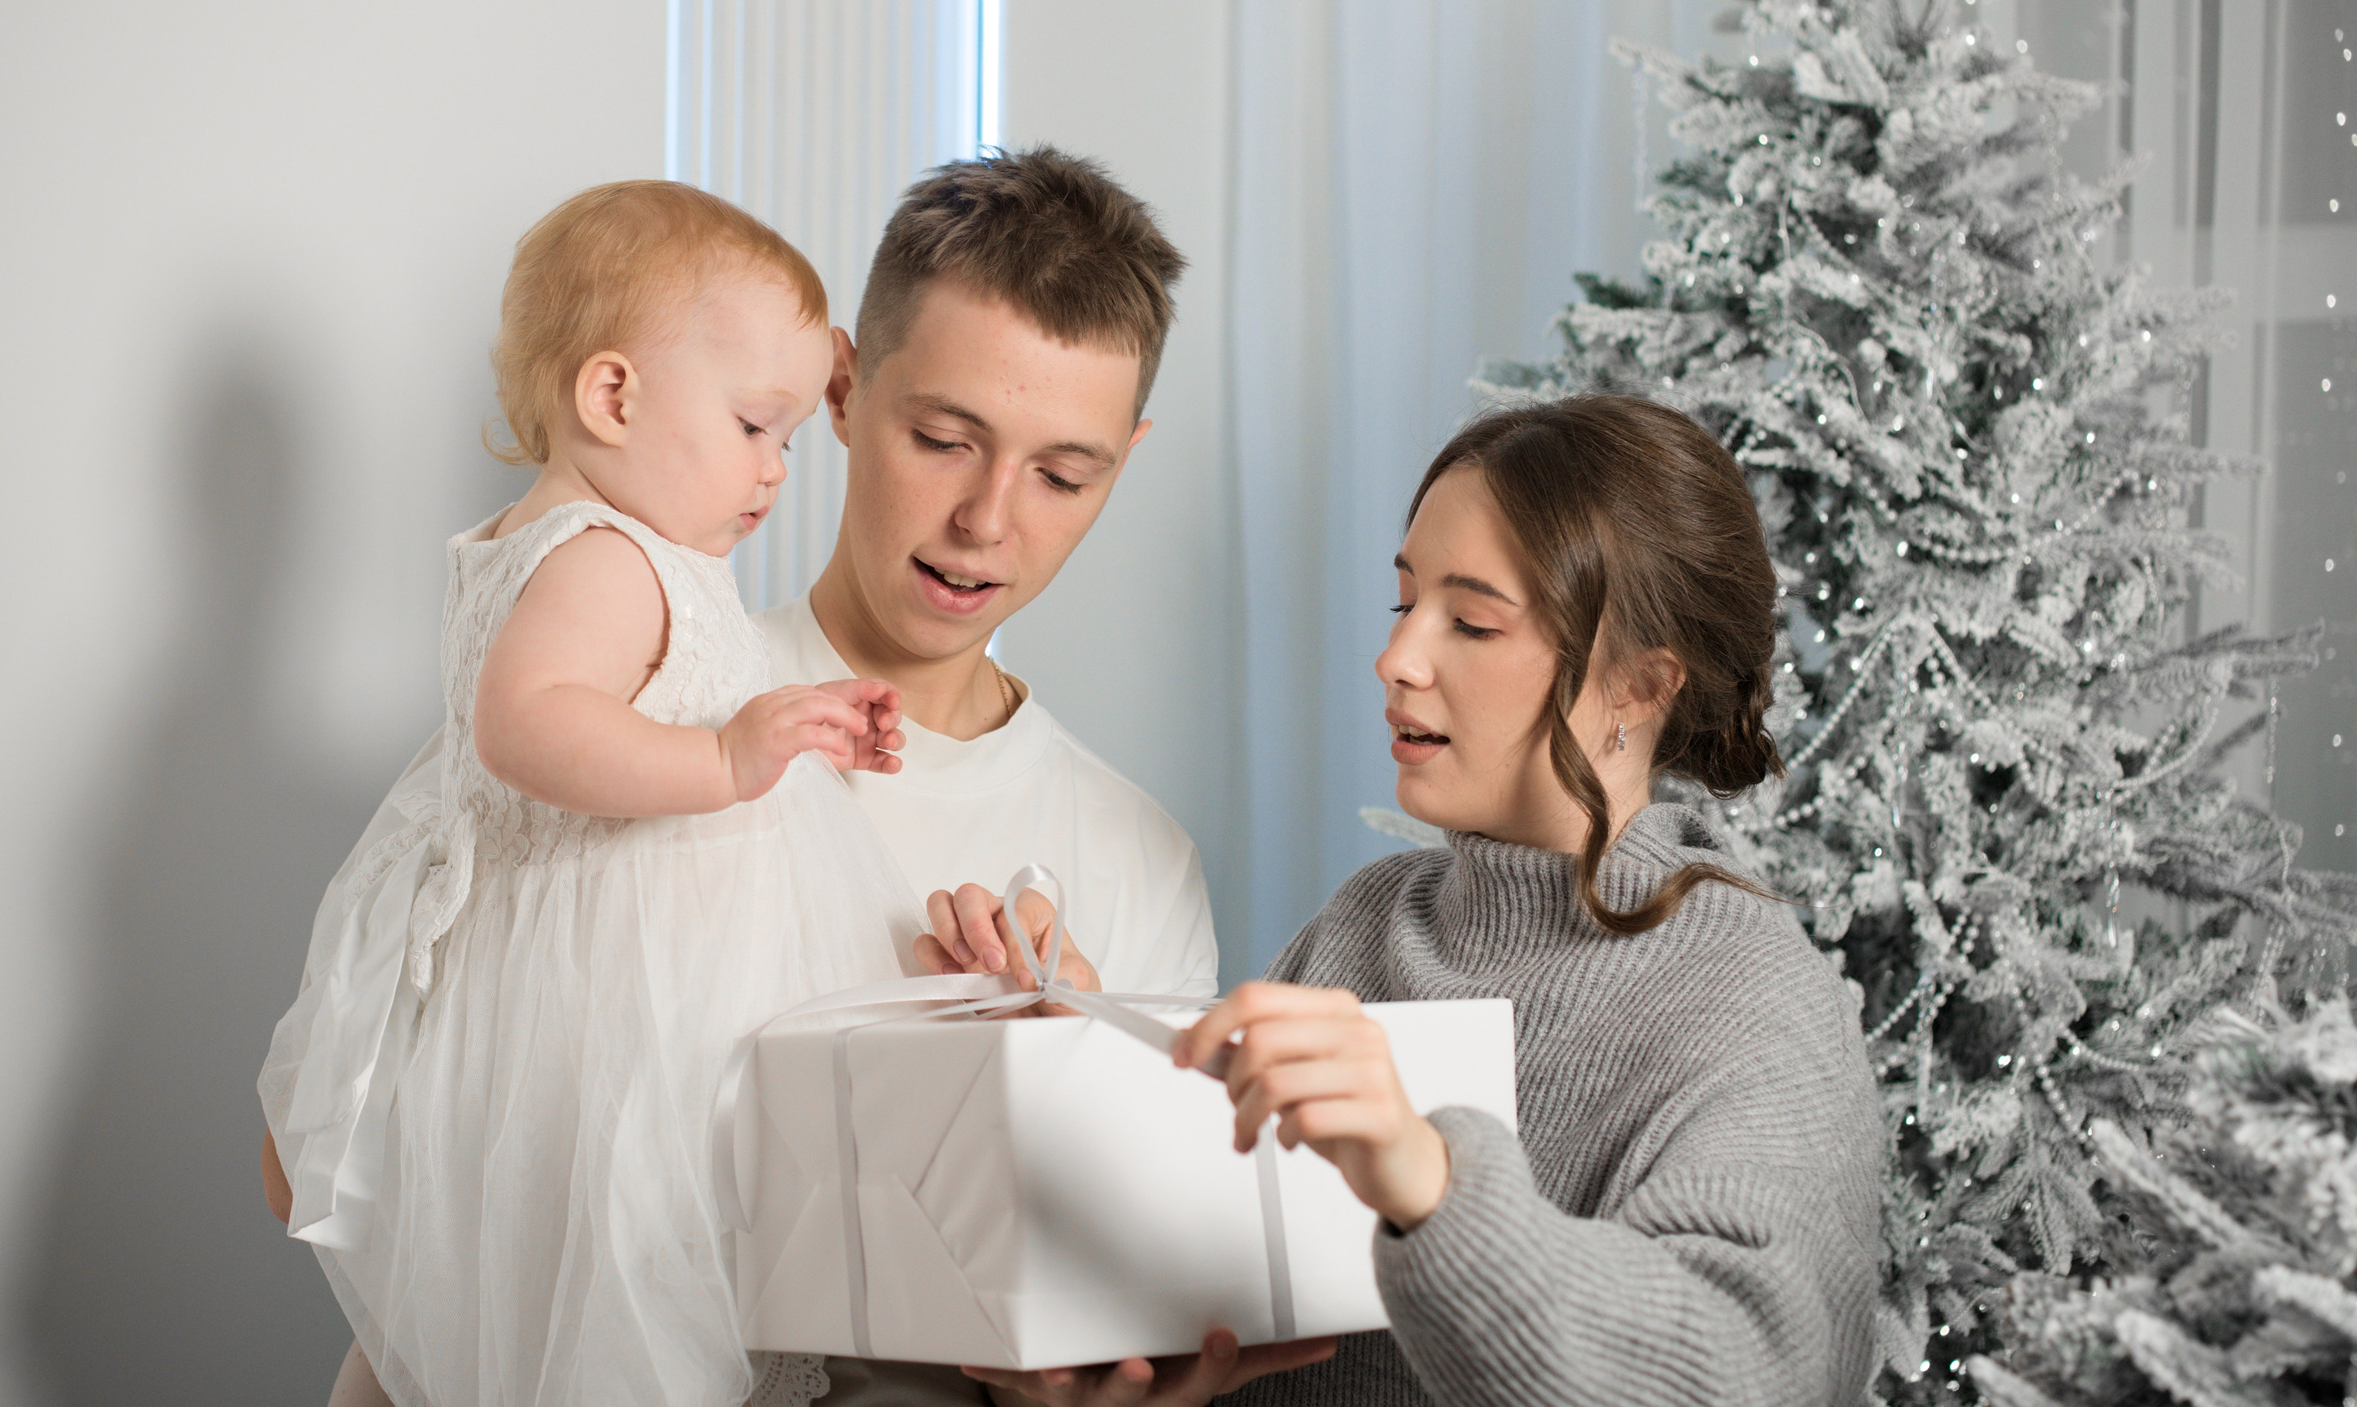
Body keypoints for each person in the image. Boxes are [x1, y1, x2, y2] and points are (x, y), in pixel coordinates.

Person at [963, 394, 1882, 1407]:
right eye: (1405, 603)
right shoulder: (1365, 924)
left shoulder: (1750, 998)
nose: (1397, 658)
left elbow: (1749, 1374)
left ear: (1638, 686)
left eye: (1473, 621)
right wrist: (1097, 1073)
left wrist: (1433, 1179)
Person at [255, 182, 927, 1407]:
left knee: (494, 1297)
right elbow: (530, 725)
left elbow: (636, 714)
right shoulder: (607, 558)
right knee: (600, 1288)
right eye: (754, 425)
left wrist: (801, 733)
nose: (777, 472)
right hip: (604, 1009)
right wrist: (728, 760)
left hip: (582, 992)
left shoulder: (598, 541)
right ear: (611, 396)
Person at [760, 148, 1218, 1004]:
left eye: (1062, 477)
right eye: (943, 441)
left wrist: (1076, 1052)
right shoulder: (637, 722)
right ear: (843, 389)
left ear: (1120, 468)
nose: (987, 520)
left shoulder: (1144, 864)